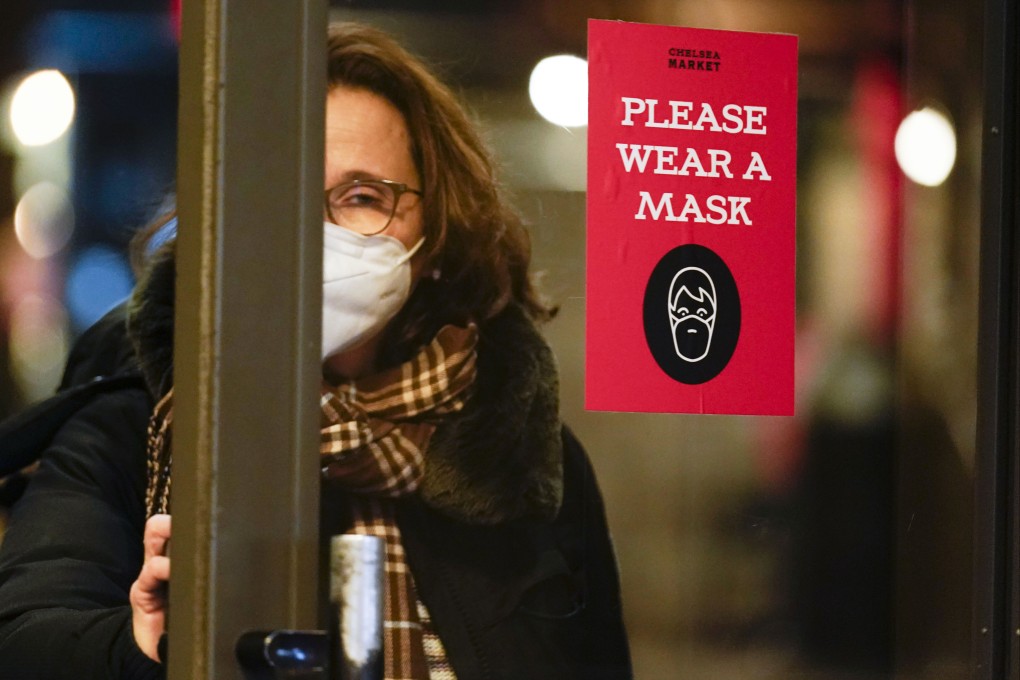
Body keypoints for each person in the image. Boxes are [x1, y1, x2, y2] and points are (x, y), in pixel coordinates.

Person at [0, 22, 632, 680]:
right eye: (283, 196)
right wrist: (143, 641)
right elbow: (24, 642)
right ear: (229, 221)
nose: (317, 232)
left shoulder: (522, 460)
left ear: (436, 238)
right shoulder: (131, 431)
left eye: (363, 198)